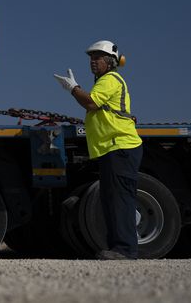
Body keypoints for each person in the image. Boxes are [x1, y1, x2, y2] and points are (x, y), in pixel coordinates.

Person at [54, 40, 143, 260]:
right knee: (112, 200)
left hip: (120, 147)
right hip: (112, 149)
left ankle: (125, 250)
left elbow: (91, 103)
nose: (93, 62)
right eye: (91, 58)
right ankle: (118, 248)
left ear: (110, 62)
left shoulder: (111, 79)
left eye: (97, 58)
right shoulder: (105, 81)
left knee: (120, 199)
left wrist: (73, 88)